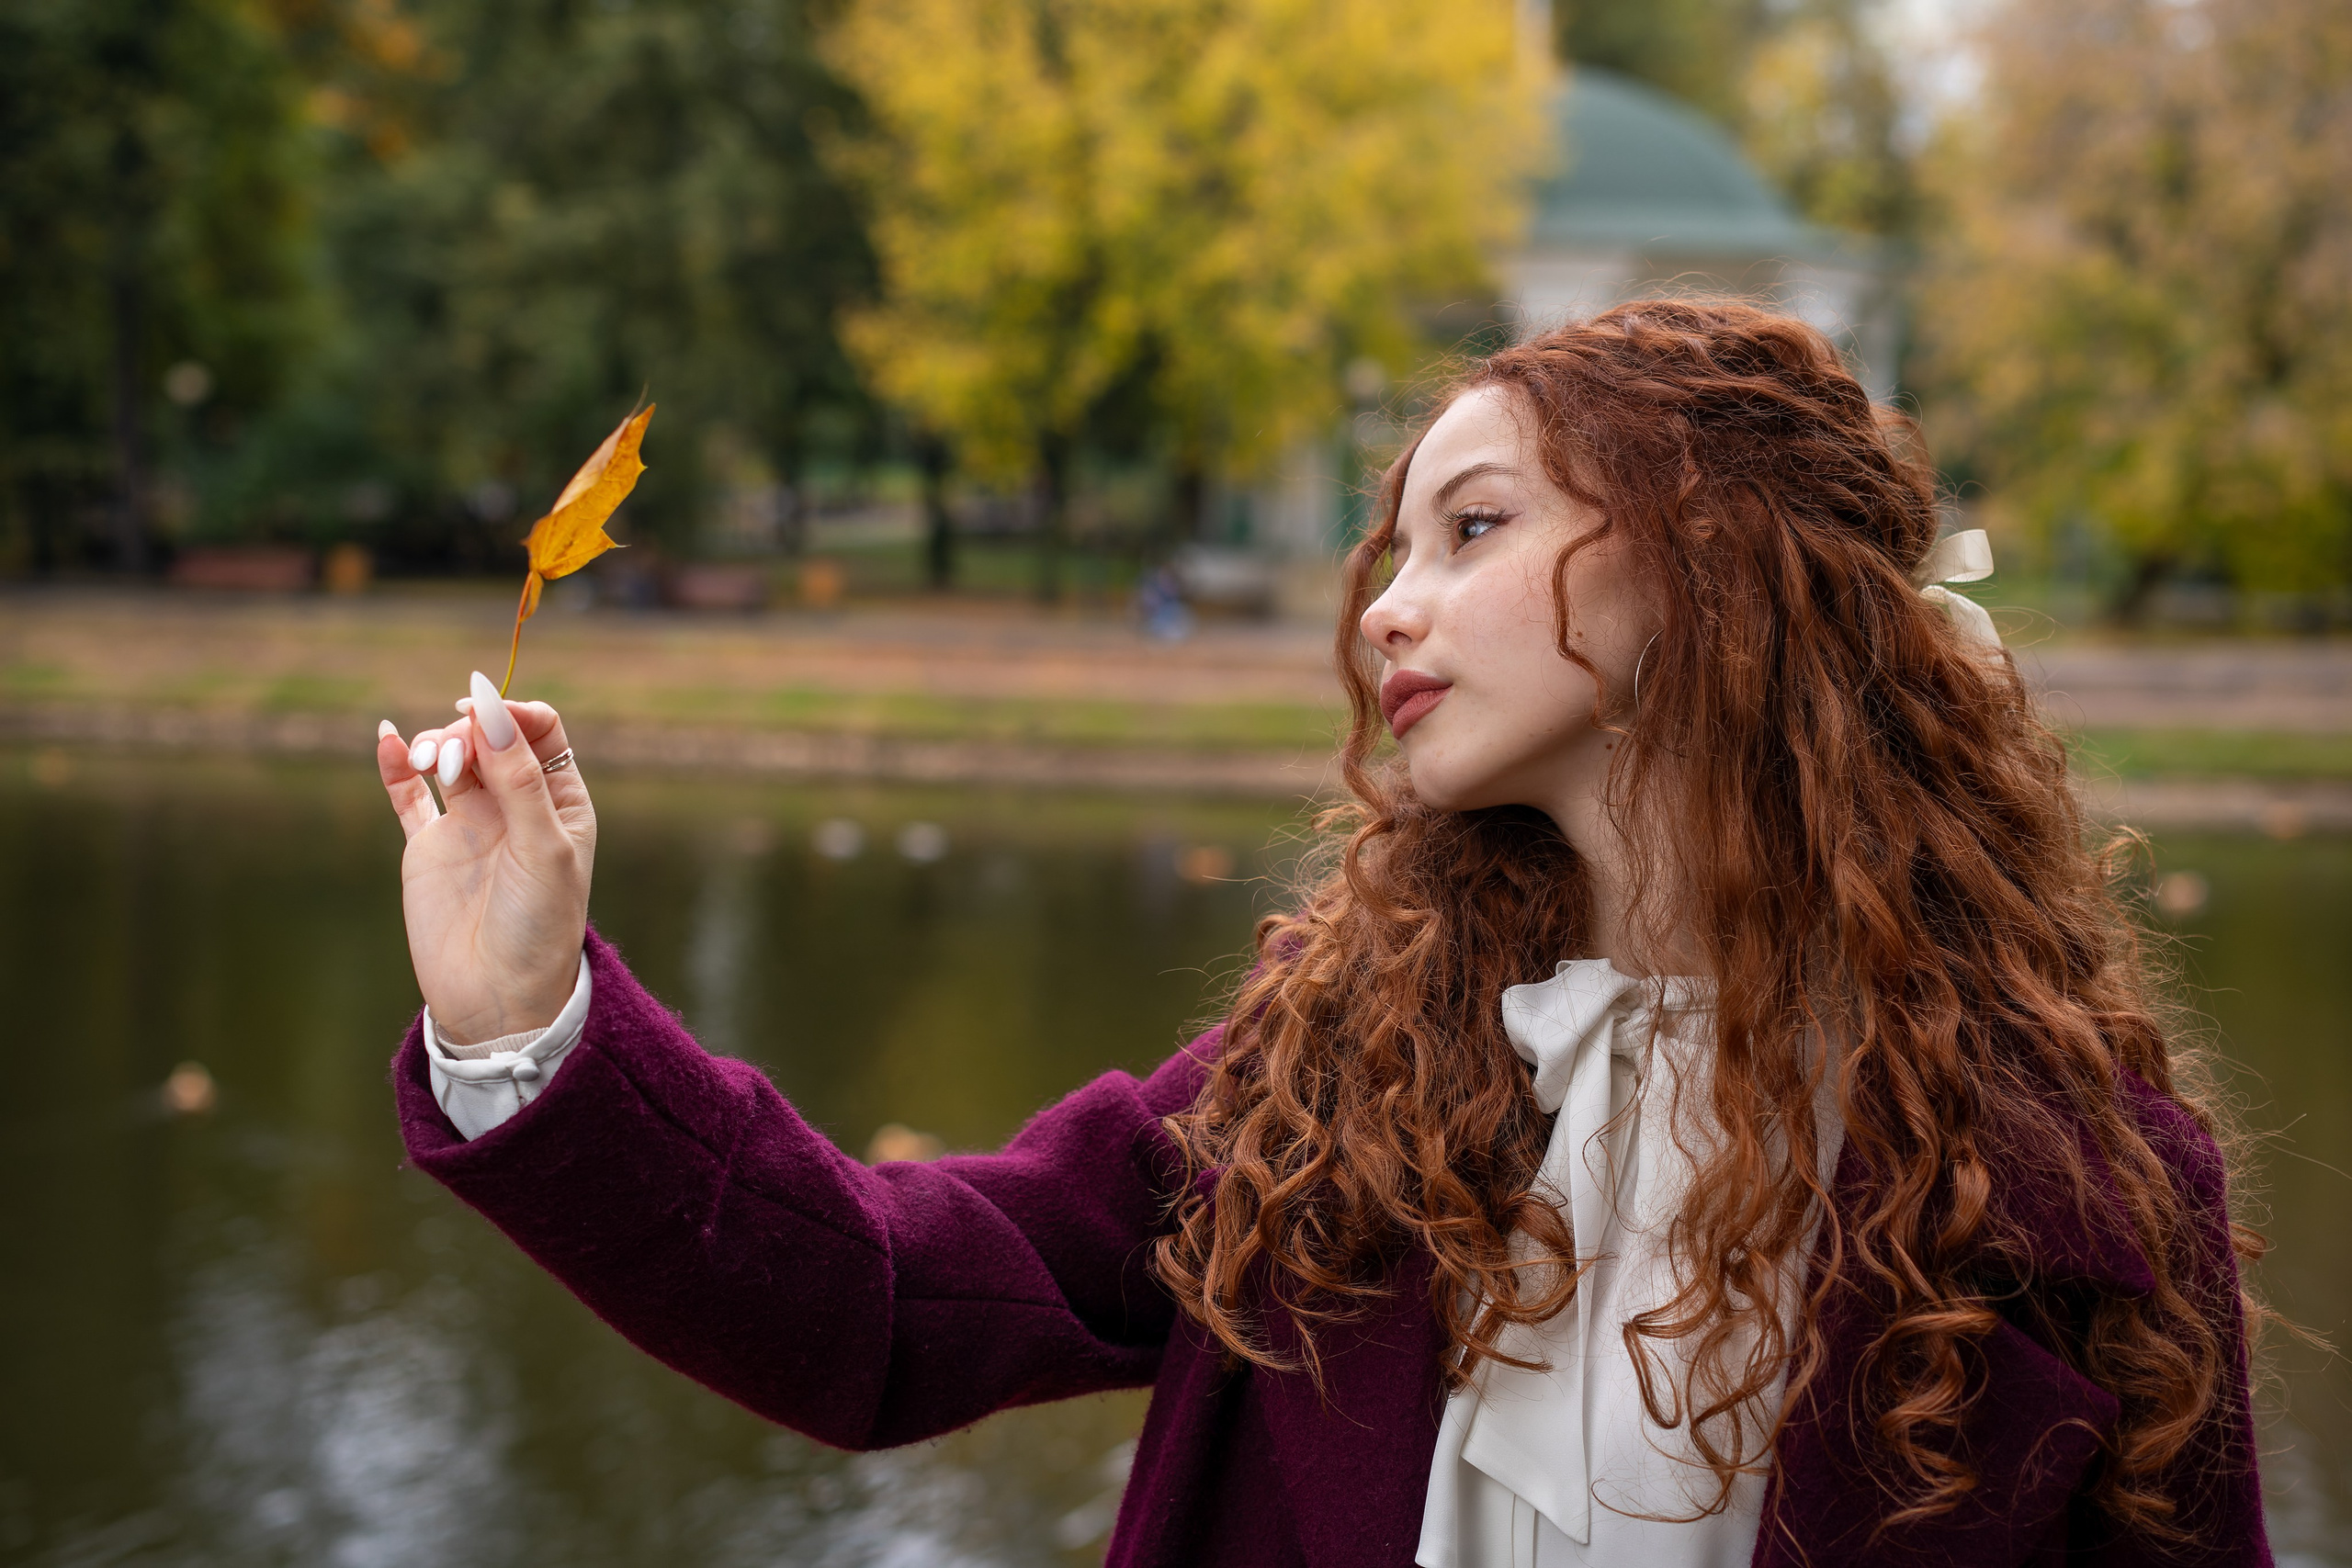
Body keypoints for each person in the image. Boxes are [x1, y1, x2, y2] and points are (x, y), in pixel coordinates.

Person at [375, 301, 2267, 1567]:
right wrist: (523, 1015)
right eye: (1394, 546)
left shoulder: (2073, 1185)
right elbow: (877, 1304)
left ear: (1710, 564)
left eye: (1468, 526)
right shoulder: (1335, 1071)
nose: (1386, 609)